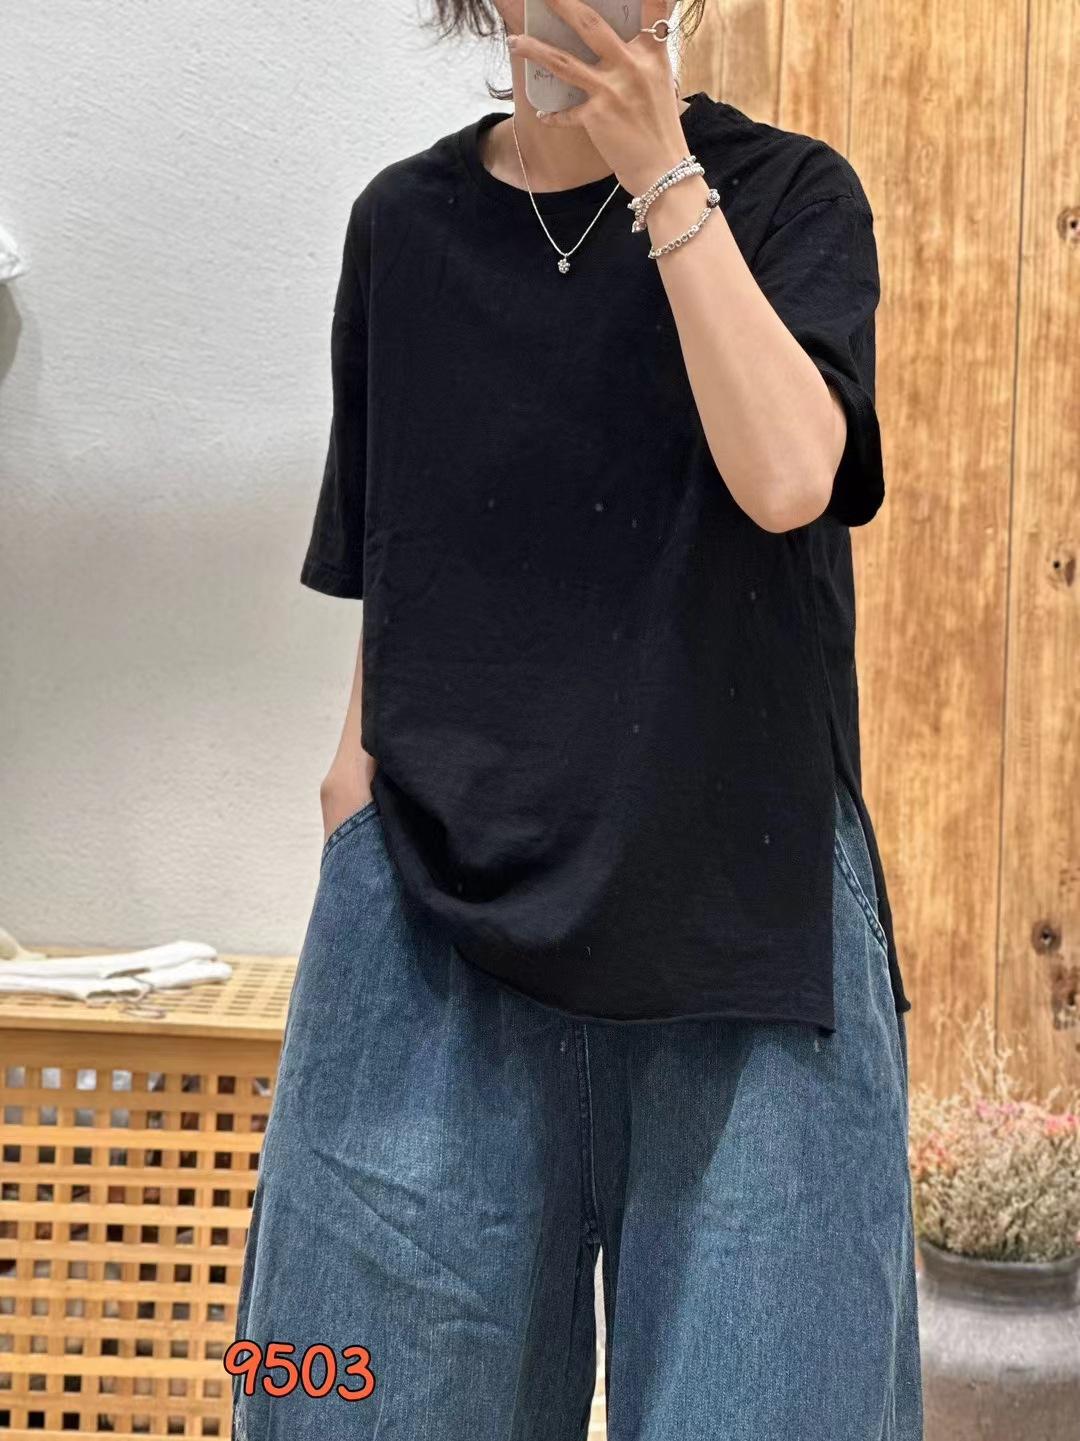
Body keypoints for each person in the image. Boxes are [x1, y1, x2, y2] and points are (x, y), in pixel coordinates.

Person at [230, 1, 923, 1437]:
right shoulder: (401, 229)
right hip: (434, 924)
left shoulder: (790, 195)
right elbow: (396, 555)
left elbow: (791, 477)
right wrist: (351, 785)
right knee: (339, 1396)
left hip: (746, 934)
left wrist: (663, 175)